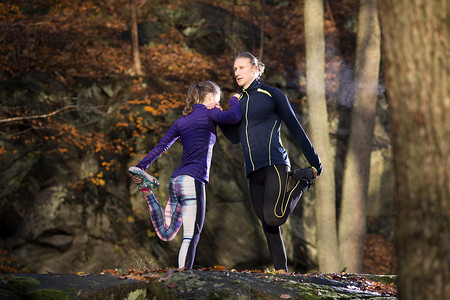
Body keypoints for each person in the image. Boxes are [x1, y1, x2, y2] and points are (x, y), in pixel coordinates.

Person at [219, 51, 322, 273]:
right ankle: (281, 272)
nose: (236, 72)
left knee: (274, 217)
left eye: (241, 67)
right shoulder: (238, 102)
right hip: (252, 170)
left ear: (255, 69)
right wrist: (219, 117)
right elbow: (235, 137)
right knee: (267, 224)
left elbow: (295, 128)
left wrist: (315, 161)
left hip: (275, 162)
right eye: (235, 68)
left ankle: (302, 180)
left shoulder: (272, 94)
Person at [129, 81, 241, 270]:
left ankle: (148, 190)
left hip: (176, 181)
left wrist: (141, 166)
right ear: (211, 96)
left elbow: (161, 146)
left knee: (167, 233)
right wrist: (234, 98)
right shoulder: (211, 113)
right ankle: (182, 282)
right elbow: (235, 116)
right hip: (192, 180)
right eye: (218, 97)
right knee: (191, 235)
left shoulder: (182, 121)